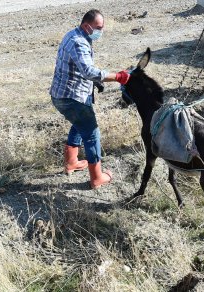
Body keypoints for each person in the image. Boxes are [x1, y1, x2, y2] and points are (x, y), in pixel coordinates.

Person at [50, 9, 130, 190]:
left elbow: (81, 69)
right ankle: (97, 178)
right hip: (72, 97)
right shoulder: (79, 42)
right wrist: (118, 76)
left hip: (63, 94)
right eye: (98, 28)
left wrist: (97, 82)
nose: (101, 31)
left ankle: (71, 163)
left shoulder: (74, 34)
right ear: (87, 26)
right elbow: (88, 71)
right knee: (92, 133)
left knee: (79, 124)